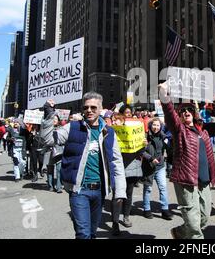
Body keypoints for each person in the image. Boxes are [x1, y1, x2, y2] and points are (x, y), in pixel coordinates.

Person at [38, 92, 127, 239]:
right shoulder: (72, 127)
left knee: (92, 233)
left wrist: (120, 191)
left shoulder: (109, 132)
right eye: (86, 107)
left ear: (100, 109)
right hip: (79, 191)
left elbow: (117, 161)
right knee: (83, 234)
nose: (89, 110)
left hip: (100, 191)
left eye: (93, 107)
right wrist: (48, 115)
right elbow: (47, 140)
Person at [159, 83, 215, 239]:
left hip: (204, 180)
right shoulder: (179, 130)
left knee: (204, 218)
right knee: (195, 228)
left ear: (195, 113)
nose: (186, 112)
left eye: (189, 110)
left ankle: (180, 232)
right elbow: (169, 113)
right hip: (186, 181)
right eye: (182, 111)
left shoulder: (203, 130)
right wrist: (164, 94)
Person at [141, 118, 174, 220]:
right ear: (150, 126)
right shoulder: (145, 137)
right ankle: (147, 209)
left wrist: (168, 143)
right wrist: (150, 158)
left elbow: (169, 150)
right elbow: (141, 151)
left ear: (161, 127)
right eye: (154, 125)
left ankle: (165, 209)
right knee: (148, 189)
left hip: (160, 167)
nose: (156, 127)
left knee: (163, 187)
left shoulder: (163, 136)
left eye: (158, 125)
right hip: (148, 167)